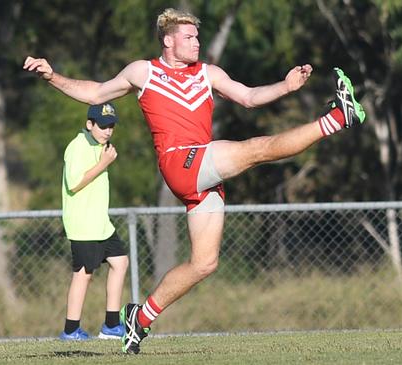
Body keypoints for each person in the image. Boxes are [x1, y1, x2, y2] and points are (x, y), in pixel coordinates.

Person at [24, 7, 365, 354]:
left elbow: (247, 97)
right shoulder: (145, 71)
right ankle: (337, 117)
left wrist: (286, 86)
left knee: (204, 263)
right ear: (168, 40)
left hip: (201, 169)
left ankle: (139, 319)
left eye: (198, 36)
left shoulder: (208, 73)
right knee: (255, 150)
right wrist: (52, 76)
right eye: (189, 37)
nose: (197, 42)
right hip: (179, 162)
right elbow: (96, 93)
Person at [58, 103, 129, 341]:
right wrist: (103, 164)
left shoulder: (102, 146)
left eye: (111, 126)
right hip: (83, 224)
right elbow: (74, 183)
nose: (108, 131)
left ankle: (111, 325)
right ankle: (70, 330)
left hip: (100, 223)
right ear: (89, 125)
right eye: (102, 126)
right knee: (83, 274)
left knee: (120, 262)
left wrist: (103, 159)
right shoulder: (77, 147)